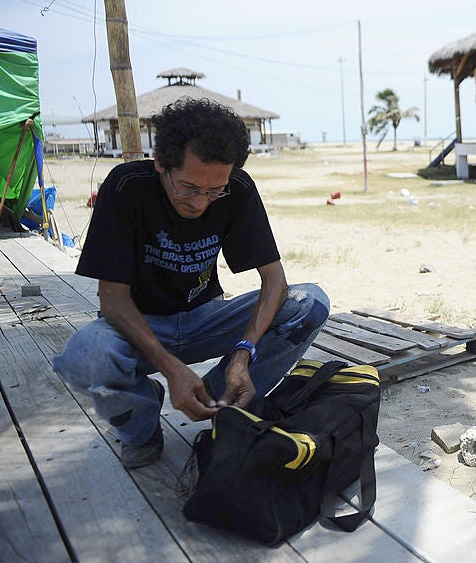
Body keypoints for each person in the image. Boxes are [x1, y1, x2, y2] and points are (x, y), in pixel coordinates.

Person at [53, 97, 330, 468]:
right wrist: (172, 371)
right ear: (160, 165)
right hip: (140, 324)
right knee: (86, 355)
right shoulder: (126, 187)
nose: (200, 202)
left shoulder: (238, 189)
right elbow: (113, 301)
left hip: (204, 318)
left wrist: (243, 354)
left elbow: (275, 281)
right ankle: (140, 423)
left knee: (308, 303)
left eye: (214, 190)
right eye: (186, 187)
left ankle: (221, 400)